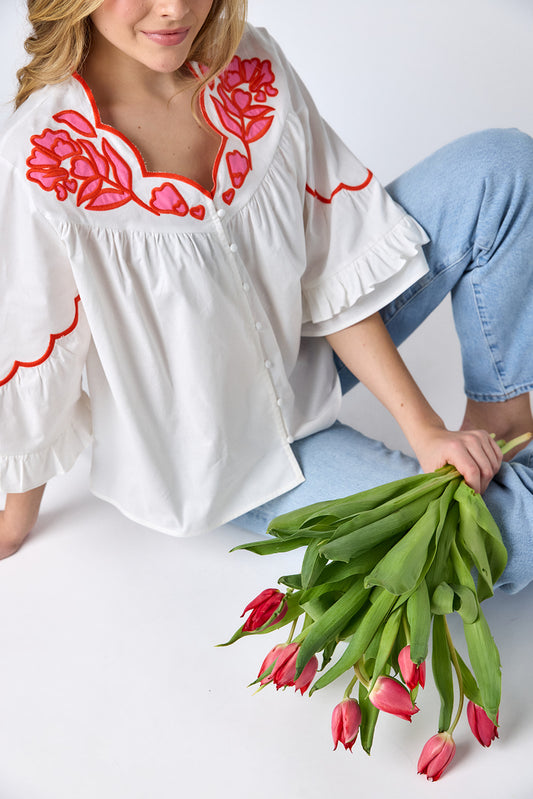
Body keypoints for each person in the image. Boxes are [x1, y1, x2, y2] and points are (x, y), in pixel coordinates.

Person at [1, 1, 532, 593]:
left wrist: (425, 429)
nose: (174, 10)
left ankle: (504, 419)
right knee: (501, 536)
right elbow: (35, 352)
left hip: (303, 352)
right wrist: (14, 521)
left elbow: (330, 261)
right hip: (228, 461)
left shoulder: (250, 65)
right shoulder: (41, 159)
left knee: (501, 168)